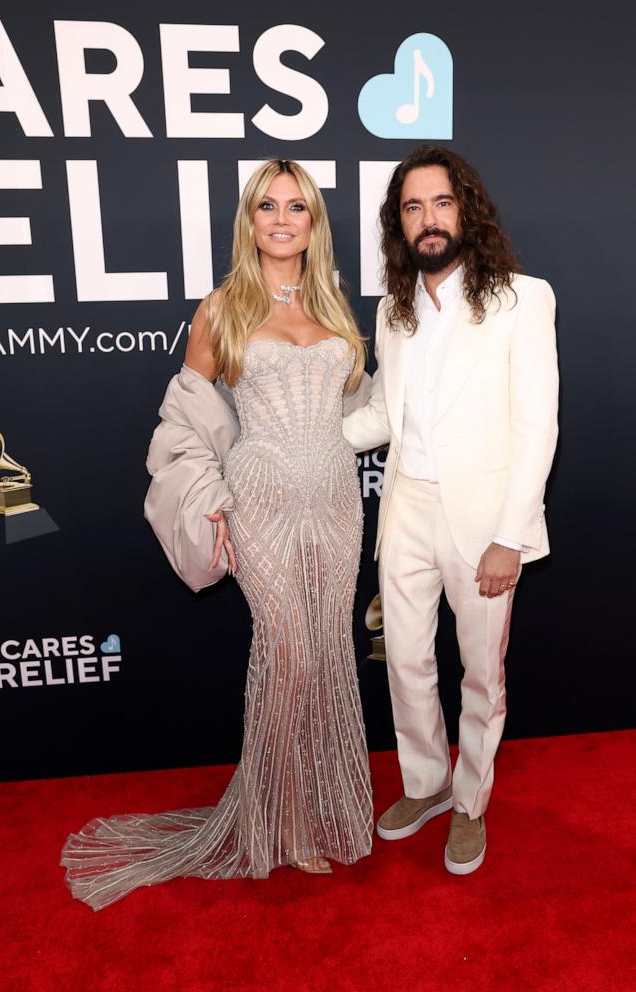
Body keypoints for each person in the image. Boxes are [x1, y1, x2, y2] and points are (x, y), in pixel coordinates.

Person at [61, 160, 373, 909]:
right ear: (249, 220)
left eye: (296, 206)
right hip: (259, 504)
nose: (280, 218)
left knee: (328, 652)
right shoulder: (222, 309)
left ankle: (320, 814)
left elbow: (356, 407)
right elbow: (184, 420)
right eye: (267, 205)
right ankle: (276, 822)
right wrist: (208, 498)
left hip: (334, 503)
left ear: (313, 223)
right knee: (288, 655)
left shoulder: (335, 307)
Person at [343, 145, 559, 875]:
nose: (428, 219)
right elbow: (381, 414)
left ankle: (469, 804)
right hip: (405, 506)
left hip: (483, 521)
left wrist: (510, 536)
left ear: (465, 210)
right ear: (398, 224)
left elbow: (537, 426)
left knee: (478, 674)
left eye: (440, 203)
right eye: (412, 207)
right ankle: (426, 783)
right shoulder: (393, 310)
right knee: (403, 661)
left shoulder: (522, 299)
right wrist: (302, 447)